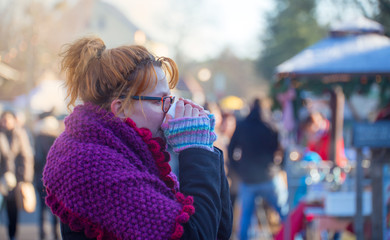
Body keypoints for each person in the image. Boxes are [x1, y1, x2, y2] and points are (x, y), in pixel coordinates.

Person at [42, 37, 232, 240]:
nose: (171, 110)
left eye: (171, 100)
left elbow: (218, 230)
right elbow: (196, 235)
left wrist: (205, 147)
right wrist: (196, 151)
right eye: (162, 101)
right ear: (121, 108)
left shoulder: (124, 154)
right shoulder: (91, 165)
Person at [228, 99, 287, 240]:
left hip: (248, 179)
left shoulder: (242, 126)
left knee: (245, 219)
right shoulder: (271, 126)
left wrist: (238, 169)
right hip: (269, 177)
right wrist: (279, 167)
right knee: (284, 213)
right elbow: (281, 150)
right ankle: (293, 235)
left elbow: (231, 150)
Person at [0, 110, 34, 240]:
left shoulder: (20, 134)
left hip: (16, 179)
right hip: (2, 178)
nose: (6, 122)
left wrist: (25, 179)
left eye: (8, 119)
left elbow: (27, 156)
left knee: (13, 209)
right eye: (4, 120)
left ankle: (12, 235)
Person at [34, 112, 60, 240]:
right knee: (55, 209)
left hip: (41, 178)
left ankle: (42, 235)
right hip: (55, 180)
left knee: (42, 209)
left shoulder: (38, 138)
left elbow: (37, 159)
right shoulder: (59, 138)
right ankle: (56, 235)